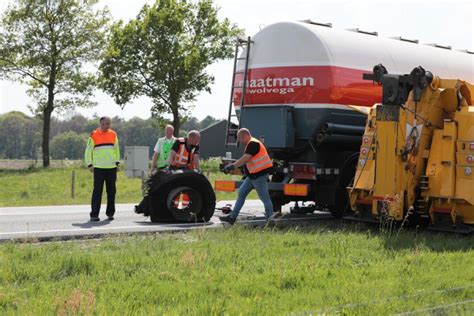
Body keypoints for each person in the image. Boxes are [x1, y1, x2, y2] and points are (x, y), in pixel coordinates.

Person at [219, 128, 274, 225]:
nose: (240, 141)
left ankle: (271, 220)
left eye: (240, 139)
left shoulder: (253, 143)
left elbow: (246, 158)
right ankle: (232, 217)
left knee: (265, 198)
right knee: (241, 193)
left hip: (259, 176)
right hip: (253, 176)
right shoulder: (250, 144)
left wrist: (232, 166)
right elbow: (248, 161)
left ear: (244, 136)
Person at [84, 116, 120, 221]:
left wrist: (117, 163)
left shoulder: (113, 134)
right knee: (97, 192)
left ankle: (110, 213)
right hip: (99, 167)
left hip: (111, 167)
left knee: (112, 191)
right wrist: (90, 164)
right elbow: (88, 150)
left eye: (108, 124)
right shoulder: (93, 134)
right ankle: (94, 214)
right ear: (100, 124)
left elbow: (116, 149)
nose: (106, 126)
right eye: (104, 124)